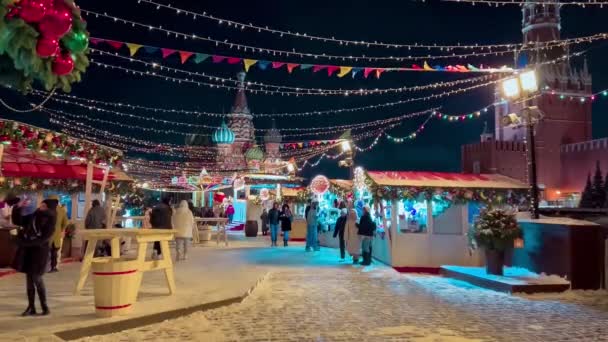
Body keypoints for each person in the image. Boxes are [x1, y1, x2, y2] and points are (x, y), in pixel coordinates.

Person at [12, 200, 56, 316]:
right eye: (41, 204)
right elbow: (18, 221)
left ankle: (44, 306)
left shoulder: (50, 221)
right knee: (29, 280)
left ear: (49, 208)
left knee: (36, 277)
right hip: (28, 252)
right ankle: (31, 307)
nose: (40, 206)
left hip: (39, 253)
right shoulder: (34, 216)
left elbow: (43, 239)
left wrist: (23, 243)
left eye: (44, 205)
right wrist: (18, 207)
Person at [47, 195, 68, 273]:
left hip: (48, 234)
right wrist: (62, 230)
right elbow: (66, 222)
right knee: (55, 251)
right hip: (57, 234)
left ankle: (48, 267)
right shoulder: (61, 210)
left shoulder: (47, 209)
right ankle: (54, 266)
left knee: (48, 251)